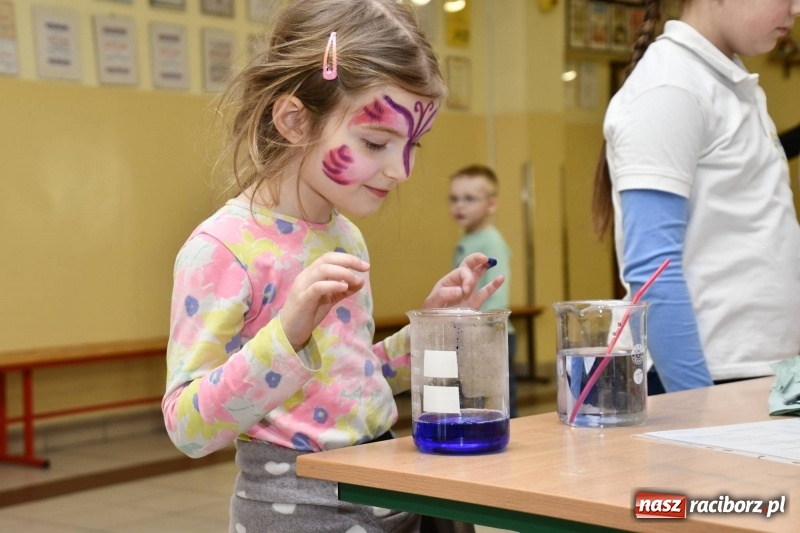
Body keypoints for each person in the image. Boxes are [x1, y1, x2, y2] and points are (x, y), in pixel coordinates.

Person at [161, 1, 500, 532]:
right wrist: (287, 333)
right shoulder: (221, 248)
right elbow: (188, 427)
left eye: (411, 145)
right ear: (295, 120)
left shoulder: (345, 235)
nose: (401, 169)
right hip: (300, 512)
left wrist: (428, 331)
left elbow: (350, 383)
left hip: (385, 490)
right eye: (375, 142)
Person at [592, 0, 800, 394]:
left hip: (755, 372)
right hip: (701, 379)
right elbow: (653, 269)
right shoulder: (671, 85)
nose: (796, 8)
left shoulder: (728, 83)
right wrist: (699, 407)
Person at [448, 165, 517, 417]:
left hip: (488, 334)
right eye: (454, 199)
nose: (460, 206)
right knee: (469, 400)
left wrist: (479, 325)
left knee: (492, 402)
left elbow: (498, 291)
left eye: (469, 199)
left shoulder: (491, 241)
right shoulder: (468, 239)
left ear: (491, 204)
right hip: (469, 333)